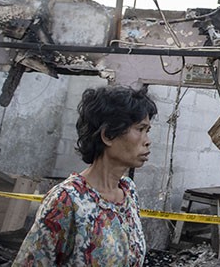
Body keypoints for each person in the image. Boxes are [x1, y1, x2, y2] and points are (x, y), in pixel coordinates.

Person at [13, 85, 157, 266]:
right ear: (108, 136)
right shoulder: (67, 201)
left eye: (148, 131)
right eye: (140, 129)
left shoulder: (128, 192)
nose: (148, 141)